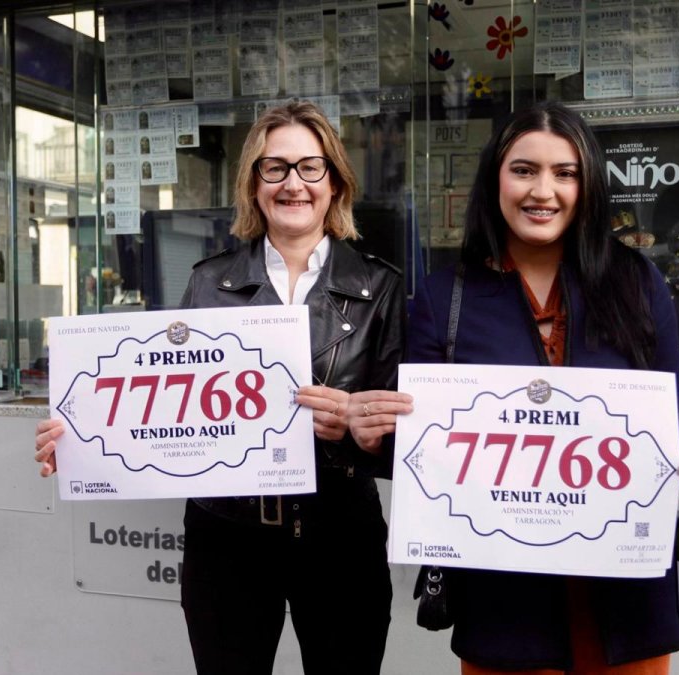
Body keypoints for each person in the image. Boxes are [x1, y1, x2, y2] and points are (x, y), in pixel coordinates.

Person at [359, 102, 679, 675]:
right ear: (495, 179)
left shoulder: (637, 281)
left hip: (626, 600)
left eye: (565, 173)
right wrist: (375, 438)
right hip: (506, 606)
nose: (545, 191)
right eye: (524, 170)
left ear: (587, 184)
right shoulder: (446, 297)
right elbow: (424, 453)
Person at [35, 101, 406, 675]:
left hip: (340, 536)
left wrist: (358, 432)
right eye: (273, 167)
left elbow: (408, 443)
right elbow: (160, 399)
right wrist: (79, 433)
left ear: (334, 182)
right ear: (253, 185)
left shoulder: (380, 286)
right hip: (226, 539)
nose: (292, 184)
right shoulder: (208, 281)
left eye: (310, 167)